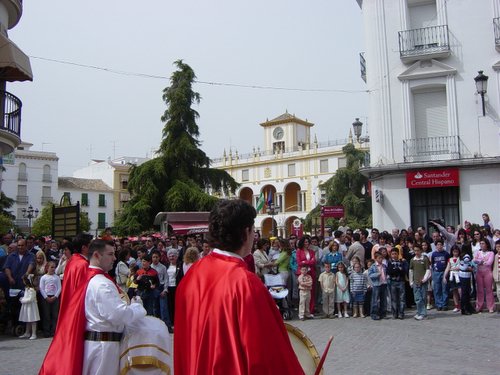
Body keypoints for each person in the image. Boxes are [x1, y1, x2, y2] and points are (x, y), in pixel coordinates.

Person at [174, 199, 304, 375]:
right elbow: (265, 356)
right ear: (246, 232)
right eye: (253, 230)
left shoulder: (191, 276)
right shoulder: (246, 283)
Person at [39, 261, 61, 337]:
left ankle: (54, 331)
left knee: (55, 315)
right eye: (51, 267)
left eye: (54, 267)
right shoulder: (43, 277)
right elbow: (41, 288)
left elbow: (59, 288)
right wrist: (46, 297)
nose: (53, 269)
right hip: (46, 298)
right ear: (47, 268)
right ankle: (46, 331)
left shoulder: (56, 277)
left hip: (55, 297)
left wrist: (55, 296)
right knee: (46, 315)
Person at [409, 245, 431, 321]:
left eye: (418, 250)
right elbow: (411, 271)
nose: (416, 252)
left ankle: (423, 313)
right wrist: (411, 281)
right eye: (415, 251)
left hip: (423, 282)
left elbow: (428, 270)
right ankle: (421, 312)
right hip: (416, 282)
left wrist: (424, 279)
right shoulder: (412, 260)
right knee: (418, 298)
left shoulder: (425, 259)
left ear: (421, 251)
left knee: (423, 297)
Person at [473, 239, 495, 313]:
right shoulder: (478, 252)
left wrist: (480, 261)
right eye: (481, 243)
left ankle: (490, 306)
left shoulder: (491, 253)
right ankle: (479, 306)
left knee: (489, 290)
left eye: (483, 243)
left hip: (487, 273)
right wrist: (481, 261)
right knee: (480, 290)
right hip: (479, 273)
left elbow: (489, 262)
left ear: (487, 244)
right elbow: (474, 260)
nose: (481, 245)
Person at [386, 248, 407, 319]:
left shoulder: (402, 262)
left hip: (401, 281)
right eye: (392, 254)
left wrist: (396, 270)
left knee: (402, 298)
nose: (394, 255)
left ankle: (401, 313)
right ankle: (395, 313)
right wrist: (397, 270)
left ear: (398, 254)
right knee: (394, 299)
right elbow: (389, 271)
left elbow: (404, 271)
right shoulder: (389, 262)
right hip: (393, 282)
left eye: (395, 254)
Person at [18, 274, 40, 340]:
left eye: (24, 281)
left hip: (32, 307)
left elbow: (31, 299)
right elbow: (26, 297)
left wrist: (22, 300)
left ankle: (34, 334)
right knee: (28, 319)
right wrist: (23, 298)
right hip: (28, 306)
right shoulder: (27, 289)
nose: (23, 282)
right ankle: (27, 332)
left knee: (32, 320)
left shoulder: (31, 290)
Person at [431, 239, 450, 311]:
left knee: (444, 288)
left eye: (440, 245)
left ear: (443, 245)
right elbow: (432, 263)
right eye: (438, 245)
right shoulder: (434, 254)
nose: (439, 246)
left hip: (444, 272)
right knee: (437, 289)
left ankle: (444, 304)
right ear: (435, 246)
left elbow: (449, 263)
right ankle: (438, 304)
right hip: (436, 272)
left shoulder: (446, 254)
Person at [368, 252, 388, 320]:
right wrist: (377, 274)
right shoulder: (373, 266)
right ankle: (374, 314)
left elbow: (386, 273)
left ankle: (382, 313)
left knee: (383, 300)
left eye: (381, 258)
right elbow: (370, 275)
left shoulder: (384, 265)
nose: (381, 259)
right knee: (375, 300)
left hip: (384, 283)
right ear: (376, 258)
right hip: (377, 284)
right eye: (379, 258)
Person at [443, 245, 462, 313]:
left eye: (456, 252)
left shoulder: (461, 258)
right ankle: (456, 306)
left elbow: (462, 266)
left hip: (459, 275)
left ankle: (462, 304)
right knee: (454, 291)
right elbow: (447, 268)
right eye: (454, 252)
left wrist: (458, 268)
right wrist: (444, 276)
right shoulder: (450, 259)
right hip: (452, 276)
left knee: (460, 291)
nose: (455, 253)